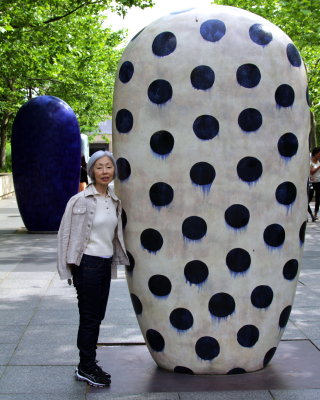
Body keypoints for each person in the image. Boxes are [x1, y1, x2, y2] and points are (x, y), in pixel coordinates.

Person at [57, 150, 129, 387]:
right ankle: (86, 366)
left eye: (109, 166)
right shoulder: (79, 201)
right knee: (89, 318)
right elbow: (65, 235)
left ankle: (87, 363)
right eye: (99, 167)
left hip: (104, 264)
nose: (105, 171)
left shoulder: (114, 200)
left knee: (97, 317)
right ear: (91, 171)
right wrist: (66, 269)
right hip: (86, 265)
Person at [309, 147, 320, 221]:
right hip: (311, 183)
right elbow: (311, 172)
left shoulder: (318, 162)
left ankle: (315, 215)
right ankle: (310, 214)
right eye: (319, 154)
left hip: (318, 182)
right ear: (315, 154)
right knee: (308, 200)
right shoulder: (310, 162)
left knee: (318, 199)